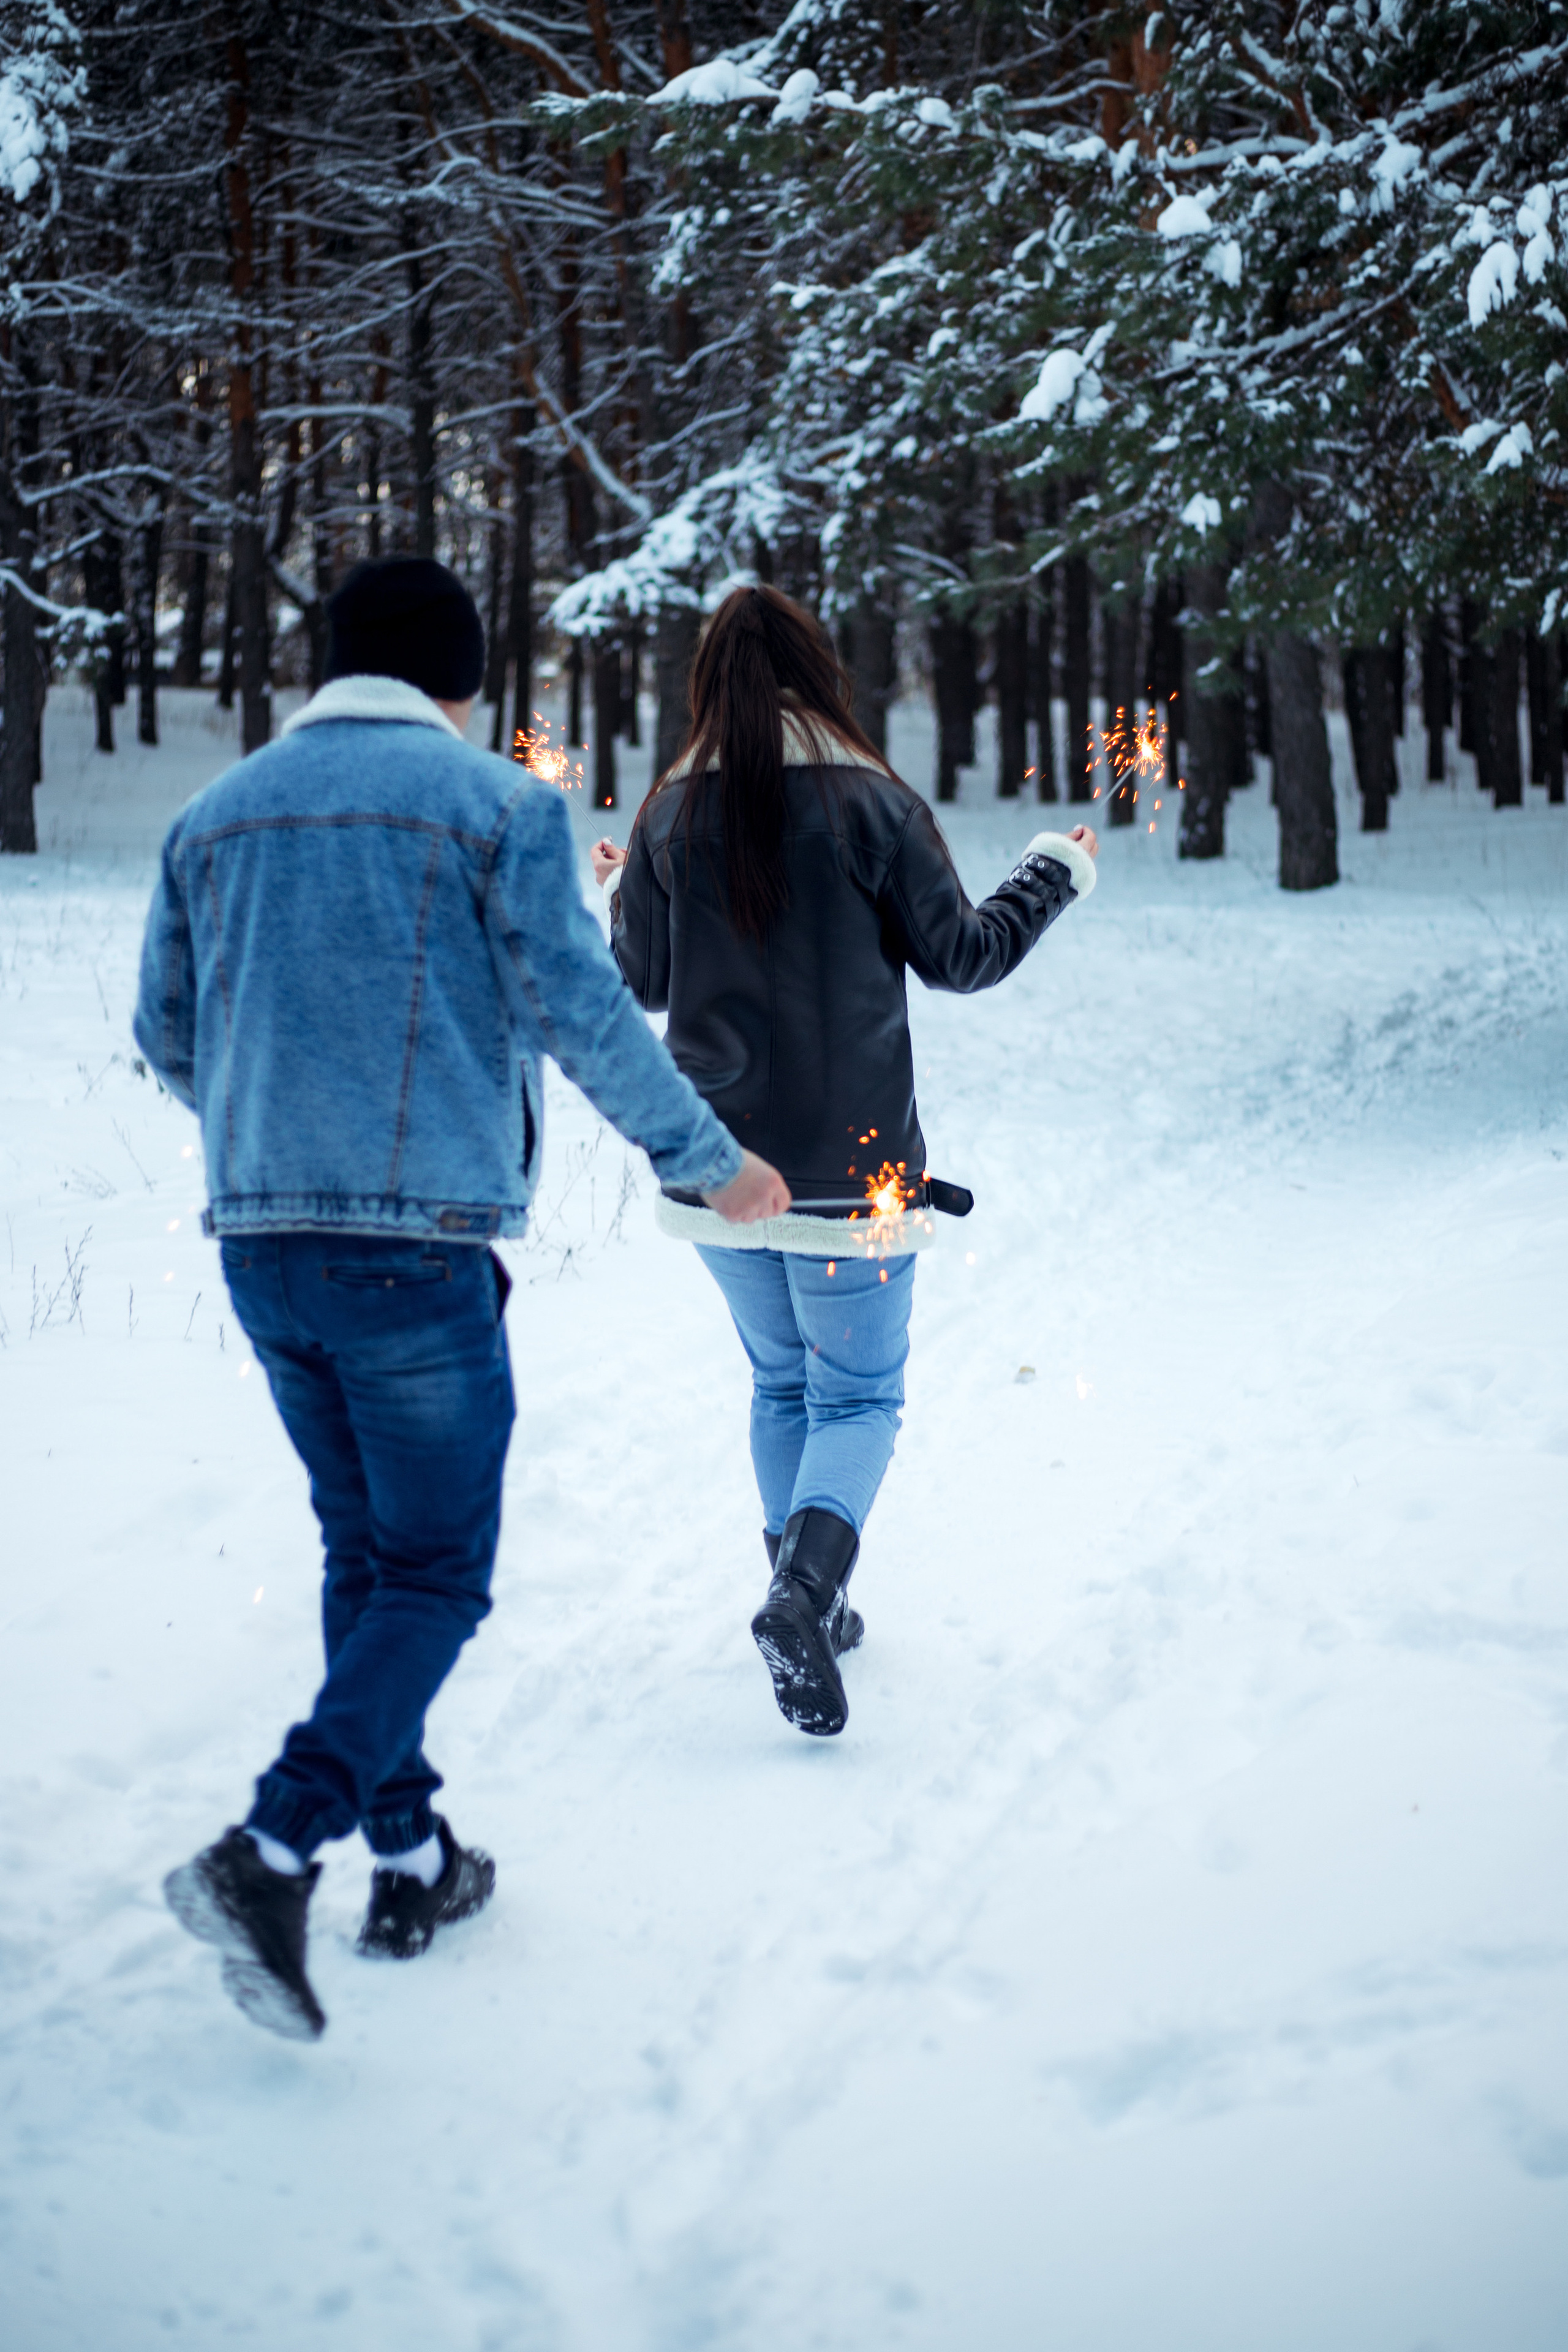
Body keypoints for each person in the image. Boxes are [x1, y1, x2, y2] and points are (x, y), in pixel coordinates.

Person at [134, 556, 788, 2041]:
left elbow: (167, 1034)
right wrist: (709, 1162)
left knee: (366, 1558)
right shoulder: (493, 808)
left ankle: (412, 1859)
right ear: (458, 679)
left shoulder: (210, 818)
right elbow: (582, 1010)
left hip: (261, 1245)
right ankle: (273, 1846)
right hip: (415, 1253)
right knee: (432, 1575)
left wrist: (269, 1140)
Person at [592, 583, 1097, 1740]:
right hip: (854, 1177)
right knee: (859, 1394)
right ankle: (807, 1597)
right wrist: (1053, 870)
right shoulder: (876, 804)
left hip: (715, 1172)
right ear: (821, 673)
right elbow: (964, 957)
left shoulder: (671, 814)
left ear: (708, 688)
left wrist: (624, 885)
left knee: (781, 1386)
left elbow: (647, 982)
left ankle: (803, 1591)